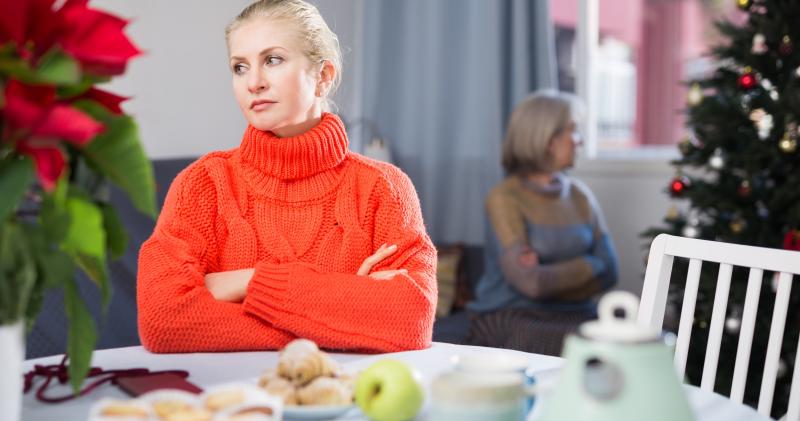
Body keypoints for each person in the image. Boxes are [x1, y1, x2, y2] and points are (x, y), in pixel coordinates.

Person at [137, 0, 437, 354]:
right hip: (229, 402)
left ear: (323, 76)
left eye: (273, 60)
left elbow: (412, 320)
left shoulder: (384, 189)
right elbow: (162, 320)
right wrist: (344, 307)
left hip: (341, 404)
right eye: (239, 67)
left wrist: (245, 283)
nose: (254, 82)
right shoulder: (203, 184)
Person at [465, 91, 618, 356]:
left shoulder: (580, 195)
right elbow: (531, 284)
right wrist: (589, 266)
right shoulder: (504, 198)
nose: (580, 141)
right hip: (511, 315)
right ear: (549, 139)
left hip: (579, 313)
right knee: (590, 347)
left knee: (630, 341)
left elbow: (611, 271)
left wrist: (552, 275)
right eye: (574, 131)